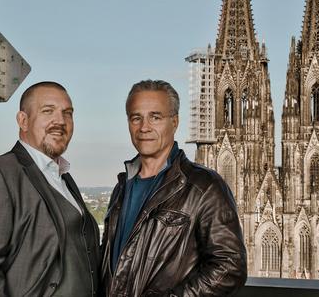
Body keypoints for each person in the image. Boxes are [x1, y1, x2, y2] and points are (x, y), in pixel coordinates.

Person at [101, 80, 247, 296]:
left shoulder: (204, 187)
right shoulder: (122, 187)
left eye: (155, 117)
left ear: (175, 122)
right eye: (136, 118)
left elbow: (230, 266)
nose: (144, 127)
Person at [0, 81, 101, 297]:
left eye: (67, 113)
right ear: (23, 120)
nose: (60, 121)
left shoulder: (64, 178)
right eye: (48, 111)